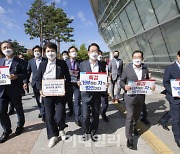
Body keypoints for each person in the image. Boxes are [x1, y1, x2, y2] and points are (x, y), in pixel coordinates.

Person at [36, 42, 71, 148]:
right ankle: (53, 135)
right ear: (44, 53)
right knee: (49, 116)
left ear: (56, 52)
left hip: (59, 94)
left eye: (52, 51)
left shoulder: (62, 63)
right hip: (47, 94)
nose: (50, 53)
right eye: (48, 51)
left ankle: (61, 129)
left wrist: (66, 89)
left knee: (60, 115)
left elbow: (68, 78)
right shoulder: (42, 64)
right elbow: (37, 79)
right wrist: (40, 89)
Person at [120, 50, 155, 150]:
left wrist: (151, 85)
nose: (137, 59)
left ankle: (134, 127)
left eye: (139, 57)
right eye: (135, 57)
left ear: (142, 58)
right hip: (130, 97)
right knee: (129, 117)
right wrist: (124, 86)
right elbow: (121, 81)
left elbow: (147, 81)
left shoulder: (145, 68)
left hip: (141, 97)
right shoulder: (127, 69)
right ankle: (129, 138)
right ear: (132, 58)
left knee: (136, 116)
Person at [0, 41, 27, 143]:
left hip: (15, 89)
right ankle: (7, 130)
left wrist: (16, 76)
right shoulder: (0, 61)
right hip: (2, 90)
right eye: (4, 47)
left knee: (18, 108)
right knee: (1, 111)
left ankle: (20, 125)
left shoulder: (21, 62)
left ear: (13, 48)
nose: (7, 49)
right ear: (2, 50)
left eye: (8, 47)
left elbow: (26, 74)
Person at [79, 43, 106, 142]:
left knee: (95, 114)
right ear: (88, 53)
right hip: (86, 94)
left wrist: (105, 83)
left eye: (96, 51)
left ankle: (94, 130)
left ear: (99, 52)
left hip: (97, 94)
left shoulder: (102, 64)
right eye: (92, 51)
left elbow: (104, 77)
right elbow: (79, 76)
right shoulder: (82, 64)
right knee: (85, 115)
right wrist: (79, 81)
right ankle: (86, 131)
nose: (94, 53)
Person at [163, 50, 180, 148]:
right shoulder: (170, 68)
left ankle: (163, 120)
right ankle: (178, 137)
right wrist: (175, 92)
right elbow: (165, 83)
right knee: (176, 118)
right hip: (175, 97)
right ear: (178, 56)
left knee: (174, 113)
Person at [24, 45, 45, 121]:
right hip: (35, 84)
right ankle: (41, 111)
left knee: (44, 99)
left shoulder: (45, 60)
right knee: (38, 99)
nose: (37, 52)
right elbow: (28, 72)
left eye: (38, 51)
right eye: (35, 51)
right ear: (33, 52)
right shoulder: (30, 61)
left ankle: (44, 113)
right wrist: (25, 82)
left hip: (44, 83)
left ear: (41, 52)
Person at [65, 46, 82, 124]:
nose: (74, 53)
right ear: (69, 54)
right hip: (68, 84)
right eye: (72, 51)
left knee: (77, 101)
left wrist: (80, 80)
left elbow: (83, 73)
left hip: (77, 85)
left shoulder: (80, 62)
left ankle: (77, 118)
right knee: (69, 100)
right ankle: (71, 110)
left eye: (75, 51)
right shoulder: (65, 62)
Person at [97, 50, 109, 122]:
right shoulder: (91, 64)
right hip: (95, 86)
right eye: (98, 54)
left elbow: (107, 72)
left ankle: (103, 113)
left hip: (103, 85)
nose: (100, 56)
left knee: (105, 101)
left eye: (100, 54)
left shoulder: (104, 63)